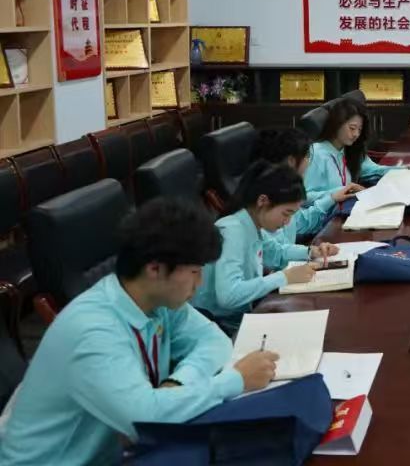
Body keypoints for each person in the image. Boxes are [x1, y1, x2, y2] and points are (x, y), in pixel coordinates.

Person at [0, 198, 280, 466]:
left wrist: (176, 384)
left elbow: (215, 341)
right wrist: (235, 381)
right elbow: (144, 419)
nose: (200, 283)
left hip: (118, 452)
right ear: (155, 268)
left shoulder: (156, 300)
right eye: (194, 272)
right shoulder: (92, 329)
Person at [192, 161, 338, 334]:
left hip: (240, 315)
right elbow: (229, 295)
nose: (287, 222)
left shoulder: (252, 224)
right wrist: (284, 277)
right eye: (286, 213)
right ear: (263, 201)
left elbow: (276, 252)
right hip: (220, 325)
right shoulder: (232, 231)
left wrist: (311, 252)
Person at [253, 128, 360, 265]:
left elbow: (301, 222)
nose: (309, 163)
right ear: (291, 161)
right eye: (307, 157)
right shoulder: (264, 202)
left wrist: (311, 251)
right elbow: (274, 256)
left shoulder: (283, 191)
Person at [305, 99, 398, 208]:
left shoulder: (349, 150)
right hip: (325, 216)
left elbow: (375, 170)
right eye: (352, 128)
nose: (356, 134)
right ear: (337, 124)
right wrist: (342, 191)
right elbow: (304, 198)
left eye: (359, 130)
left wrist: (407, 170)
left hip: (346, 211)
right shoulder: (316, 153)